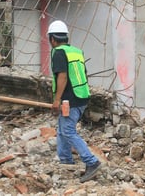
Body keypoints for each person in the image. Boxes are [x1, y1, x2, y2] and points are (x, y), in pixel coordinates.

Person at [47, 20, 101, 183]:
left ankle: (92, 162)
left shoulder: (58, 52)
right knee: (63, 128)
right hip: (82, 95)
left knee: (68, 130)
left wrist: (57, 100)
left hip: (69, 99)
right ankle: (65, 161)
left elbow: (62, 76)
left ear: (52, 39)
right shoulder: (76, 51)